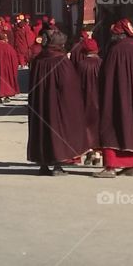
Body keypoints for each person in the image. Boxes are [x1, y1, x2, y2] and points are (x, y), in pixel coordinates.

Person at [27, 28, 87, 174]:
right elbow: (69, 85)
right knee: (57, 131)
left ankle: (43, 165)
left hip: (40, 104)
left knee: (42, 131)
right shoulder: (61, 60)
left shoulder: (38, 60)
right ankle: (57, 165)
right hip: (57, 105)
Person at [98, 18, 133, 176]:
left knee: (112, 127)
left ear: (118, 35)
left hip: (116, 98)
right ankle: (131, 165)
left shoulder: (115, 51)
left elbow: (106, 77)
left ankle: (111, 166)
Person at [74, 35, 102, 162]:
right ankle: (98, 154)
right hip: (100, 101)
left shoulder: (81, 65)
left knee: (86, 126)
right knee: (99, 126)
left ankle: (89, 150)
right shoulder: (102, 63)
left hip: (85, 100)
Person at [0, 30, 21, 101]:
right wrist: (14, 68)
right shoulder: (9, 47)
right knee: (7, 80)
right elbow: (15, 59)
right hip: (8, 68)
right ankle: (7, 95)